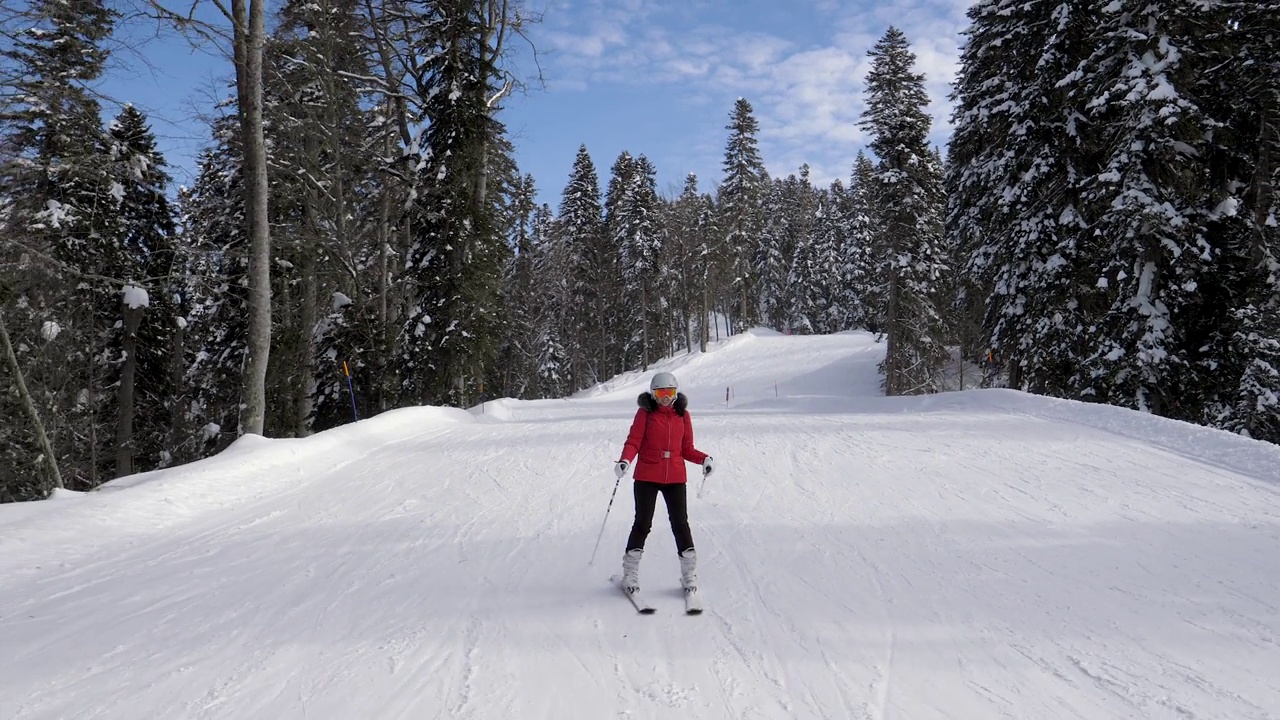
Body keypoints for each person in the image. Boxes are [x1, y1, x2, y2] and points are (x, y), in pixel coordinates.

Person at [613, 371, 714, 594]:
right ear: (653, 394)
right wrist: (625, 461)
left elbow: (686, 448)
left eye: (670, 392)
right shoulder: (645, 414)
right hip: (647, 476)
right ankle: (630, 572)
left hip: (675, 477)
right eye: (660, 393)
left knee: (680, 524)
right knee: (642, 523)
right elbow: (634, 441)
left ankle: (689, 574)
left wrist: (704, 459)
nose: (665, 397)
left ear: (676, 393)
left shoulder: (683, 416)